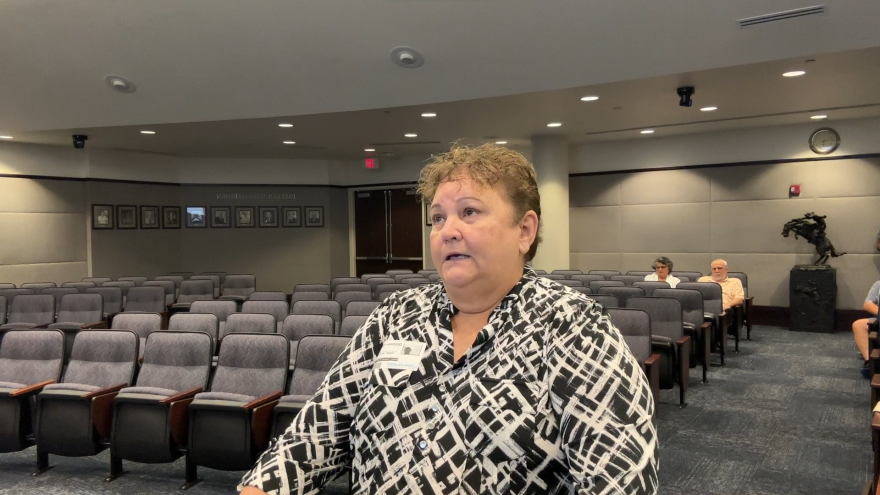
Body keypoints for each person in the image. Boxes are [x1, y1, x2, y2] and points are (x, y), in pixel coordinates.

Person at [238, 144, 658, 494]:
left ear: (525, 231)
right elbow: (316, 434)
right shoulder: (395, 316)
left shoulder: (575, 328)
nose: (447, 230)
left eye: (469, 212)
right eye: (438, 217)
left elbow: (618, 479)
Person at [852, 279, 880, 379]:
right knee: (858, 325)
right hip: (878, 319)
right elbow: (868, 304)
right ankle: (870, 363)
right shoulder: (878, 284)